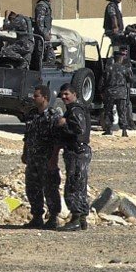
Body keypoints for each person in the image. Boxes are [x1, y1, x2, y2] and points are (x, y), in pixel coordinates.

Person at [21, 85, 62, 230]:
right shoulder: (32, 114)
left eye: (36, 96)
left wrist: (53, 159)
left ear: (44, 98)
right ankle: (37, 217)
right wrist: (25, 152)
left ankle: (53, 217)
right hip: (33, 159)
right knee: (32, 188)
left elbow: (57, 140)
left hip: (47, 159)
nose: (34, 98)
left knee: (50, 188)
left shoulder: (53, 115)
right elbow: (27, 136)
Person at [55, 84, 91, 232]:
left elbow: (79, 129)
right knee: (79, 184)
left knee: (74, 186)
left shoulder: (75, 110)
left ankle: (76, 219)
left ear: (75, 94)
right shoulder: (75, 109)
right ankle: (81, 219)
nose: (64, 97)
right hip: (78, 151)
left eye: (67, 94)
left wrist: (64, 124)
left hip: (77, 152)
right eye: (62, 95)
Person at [99, 46, 133, 136]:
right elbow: (131, 80)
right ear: (121, 58)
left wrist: (101, 91)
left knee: (108, 111)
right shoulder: (125, 69)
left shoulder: (108, 69)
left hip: (109, 92)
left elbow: (102, 82)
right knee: (122, 111)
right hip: (121, 93)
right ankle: (124, 131)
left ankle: (108, 129)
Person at [34, 0, 56, 66]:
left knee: (49, 58)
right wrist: (45, 34)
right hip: (41, 37)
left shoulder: (47, 5)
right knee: (45, 57)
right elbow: (39, 23)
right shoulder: (42, 6)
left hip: (45, 36)